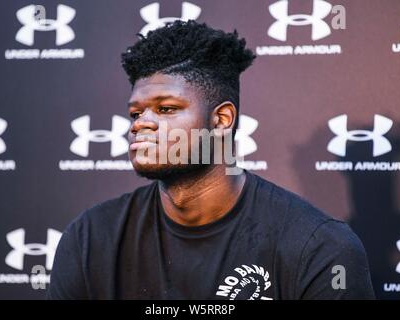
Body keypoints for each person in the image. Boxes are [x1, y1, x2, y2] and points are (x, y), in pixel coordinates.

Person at [47, 20, 375, 300]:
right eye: (135, 112)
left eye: (166, 109)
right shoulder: (91, 238)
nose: (140, 124)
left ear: (221, 120)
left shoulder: (320, 248)